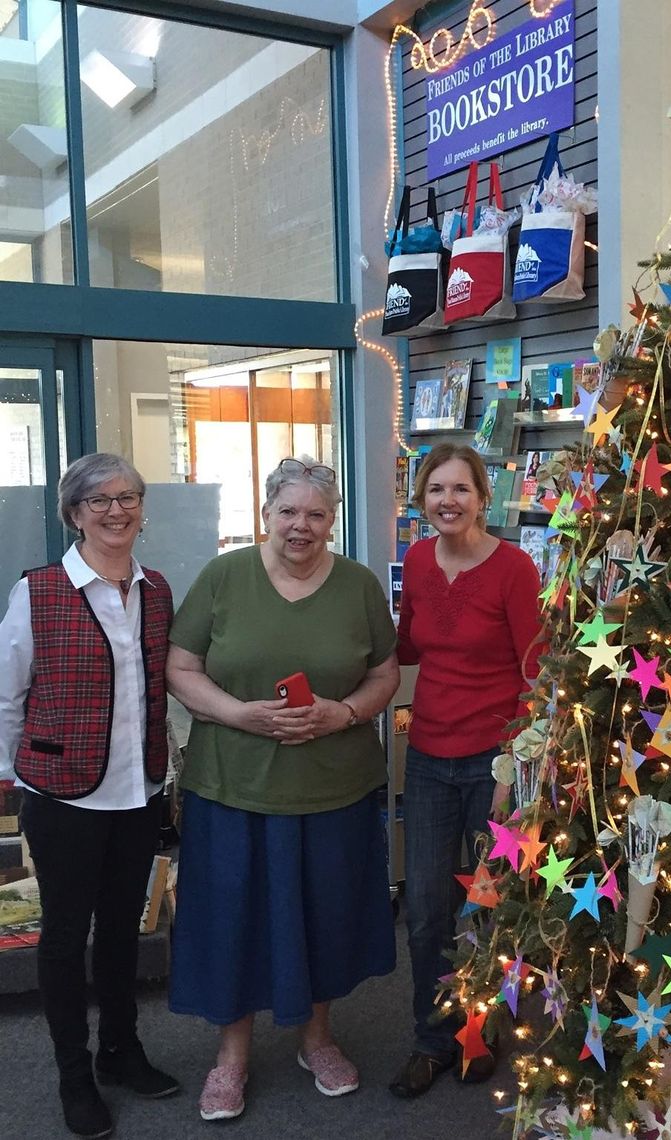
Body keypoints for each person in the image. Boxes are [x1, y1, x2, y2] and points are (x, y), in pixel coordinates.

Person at [165, 456, 400, 1122]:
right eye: (288, 511)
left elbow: (383, 676)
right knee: (232, 917)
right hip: (232, 785)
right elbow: (180, 668)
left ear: (333, 520)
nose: (301, 526)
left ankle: (316, 1038)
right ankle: (231, 1058)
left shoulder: (357, 586)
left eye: (316, 515)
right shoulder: (223, 577)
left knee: (324, 914)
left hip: (334, 787)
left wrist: (345, 713)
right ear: (266, 511)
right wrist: (236, 713)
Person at [0, 453, 179, 1140]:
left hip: (138, 791)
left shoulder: (155, 589)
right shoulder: (39, 591)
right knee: (65, 937)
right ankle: (74, 1075)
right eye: (99, 500)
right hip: (63, 796)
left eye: (128, 496)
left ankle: (120, 1052)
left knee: (123, 935)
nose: (116, 510)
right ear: (74, 512)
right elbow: (7, 695)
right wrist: (21, 777)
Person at [388, 443, 542, 1099]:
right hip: (427, 756)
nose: (447, 501)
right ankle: (432, 1038)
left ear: (483, 497)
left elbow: (536, 676)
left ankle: (478, 1033)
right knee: (425, 908)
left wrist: (514, 765)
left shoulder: (514, 568)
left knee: (486, 908)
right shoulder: (418, 560)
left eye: (460, 489)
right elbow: (406, 644)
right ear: (421, 501)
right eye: (434, 491)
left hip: (493, 764)